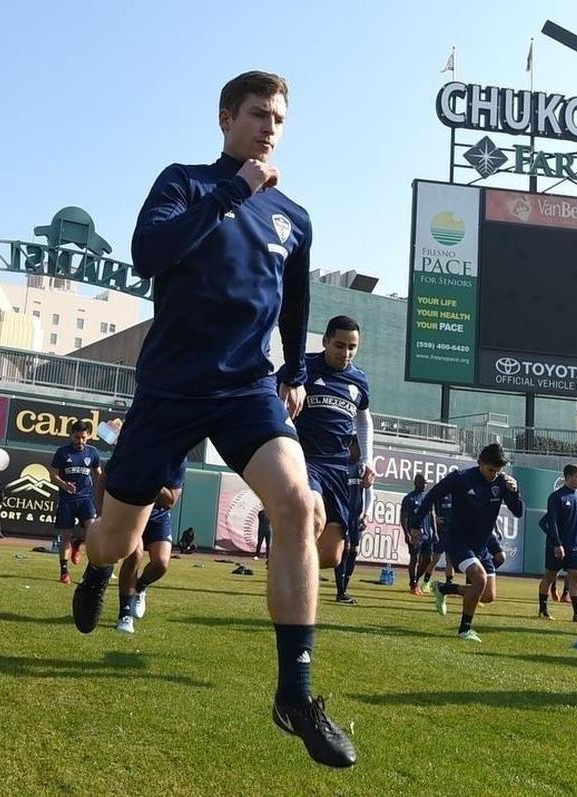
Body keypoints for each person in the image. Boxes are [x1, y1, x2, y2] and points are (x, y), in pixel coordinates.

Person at [70, 71, 355, 767]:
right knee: (115, 537)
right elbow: (148, 254)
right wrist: (234, 190)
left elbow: (293, 306)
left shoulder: (294, 216)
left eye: (279, 118)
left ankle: (297, 691)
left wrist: (291, 373)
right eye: (258, 113)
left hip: (246, 389)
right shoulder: (187, 184)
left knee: (297, 503)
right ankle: (98, 571)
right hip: (169, 391)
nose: (269, 127)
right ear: (226, 117)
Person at [413, 444, 524, 643]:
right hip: (458, 540)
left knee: (488, 595)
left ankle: (444, 589)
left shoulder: (501, 482)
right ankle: (465, 629)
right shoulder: (461, 478)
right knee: (479, 580)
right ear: (480, 463)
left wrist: (515, 492)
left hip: (481, 545)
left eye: (498, 470)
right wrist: (415, 524)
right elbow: (432, 496)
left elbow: (518, 511)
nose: (494, 474)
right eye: (491, 469)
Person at [291, 314, 374, 579]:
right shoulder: (302, 366)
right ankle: (292, 583)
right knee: (314, 512)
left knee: (331, 556)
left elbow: (364, 419)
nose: (346, 353)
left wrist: (368, 459)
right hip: (305, 459)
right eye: (339, 345)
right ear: (326, 341)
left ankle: (288, 564)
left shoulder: (359, 380)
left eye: (352, 347)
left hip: (338, 467)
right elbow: (276, 394)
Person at [116, 472, 184, 634]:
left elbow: (170, 501)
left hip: (158, 517)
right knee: (135, 554)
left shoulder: (176, 459)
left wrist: (152, 478)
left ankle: (139, 588)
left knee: (161, 564)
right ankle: (125, 613)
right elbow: (107, 476)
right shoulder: (135, 450)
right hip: (133, 513)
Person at [538, 465, 577, 623]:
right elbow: (551, 522)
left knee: (576, 577)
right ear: (568, 477)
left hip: (575, 548)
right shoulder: (556, 497)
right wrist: (557, 544)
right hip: (557, 547)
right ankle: (543, 610)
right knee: (549, 577)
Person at [50, 421, 104, 584]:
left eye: (83, 438)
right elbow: (53, 475)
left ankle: (88, 563)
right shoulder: (62, 452)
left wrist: (105, 490)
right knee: (66, 534)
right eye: (77, 437)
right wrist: (64, 485)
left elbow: (99, 475)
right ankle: (64, 572)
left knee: (93, 531)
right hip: (67, 500)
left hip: (86, 499)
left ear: (88, 436)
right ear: (71, 435)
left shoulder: (93, 453)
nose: (80, 441)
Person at [334, 445, 371, 605]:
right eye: (357, 447)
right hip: (343, 514)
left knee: (354, 551)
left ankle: (344, 589)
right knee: (345, 550)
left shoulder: (362, 468)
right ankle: (340, 591)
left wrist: (366, 514)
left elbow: (369, 492)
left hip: (356, 517)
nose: (360, 452)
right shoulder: (341, 465)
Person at [400, 474, 434, 596]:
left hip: (427, 533)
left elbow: (432, 515)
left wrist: (434, 532)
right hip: (415, 532)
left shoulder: (427, 497)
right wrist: (406, 533)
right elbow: (403, 517)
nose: (425, 485)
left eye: (426, 482)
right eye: (423, 482)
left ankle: (415, 580)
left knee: (427, 559)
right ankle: (413, 584)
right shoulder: (409, 498)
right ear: (416, 482)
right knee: (414, 558)